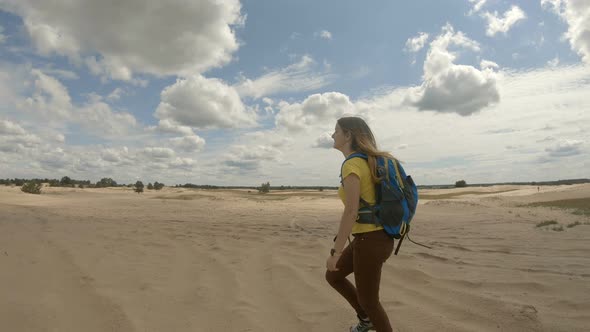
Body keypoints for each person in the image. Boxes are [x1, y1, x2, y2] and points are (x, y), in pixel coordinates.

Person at [325, 116, 395, 332]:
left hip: (370, 241)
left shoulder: (352, 164)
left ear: (348, 135)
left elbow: (351, 210)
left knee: (369, 301)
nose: (332, 135)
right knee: (334, 275)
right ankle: (366, 320)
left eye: (336, 131)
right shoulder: (369, 161)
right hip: (373, 238)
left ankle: (371, 320)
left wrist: (336, 252)